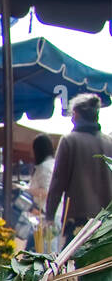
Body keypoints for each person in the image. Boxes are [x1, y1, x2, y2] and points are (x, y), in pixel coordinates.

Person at [46, 93, 112, 236]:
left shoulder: (70, 141)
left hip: (79, 221)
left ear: (76, 114)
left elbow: (58, 182)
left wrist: (49, 216)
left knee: (74, 258)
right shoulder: (109, 142)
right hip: (107, 222)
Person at [29, 134, 55, 212]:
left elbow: (47, 192)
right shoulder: (51, 163)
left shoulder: (45, 167)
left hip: (45, 210)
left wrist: (26, 190)